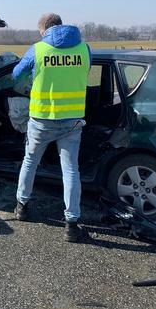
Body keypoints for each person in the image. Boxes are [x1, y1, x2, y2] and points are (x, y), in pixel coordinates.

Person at [11, 13, 92, 243]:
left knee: (30, 162)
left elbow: (16, 75)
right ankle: (71, 225)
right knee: (70, 170)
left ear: (44, 30)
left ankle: (22, 207)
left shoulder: (38, 50)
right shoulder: (85, 49)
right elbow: (82, 72)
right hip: (72, 121)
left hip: (42, 120)